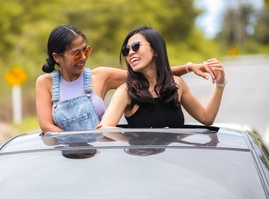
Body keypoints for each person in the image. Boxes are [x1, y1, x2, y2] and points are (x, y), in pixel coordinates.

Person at [36, 24, 217, 132]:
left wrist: (188, 67)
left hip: (100, 153)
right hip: (64, 155)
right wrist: (76, 145)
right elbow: (46, 127)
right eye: (76, 54)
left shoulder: (101, 76)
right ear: (57, 57)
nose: (83, 57)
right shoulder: (45, 83)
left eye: (86, 50)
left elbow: (151, 73)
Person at [97, 26, 227, 129]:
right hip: (142, 161)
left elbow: (206, 118)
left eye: (136, 46)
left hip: (175, 161)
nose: (130, 53)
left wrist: (220, 84)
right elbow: (104, 129)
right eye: (126, 50)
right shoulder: (126, 91)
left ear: (155, 50)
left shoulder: (177, 84)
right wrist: (138, 135)